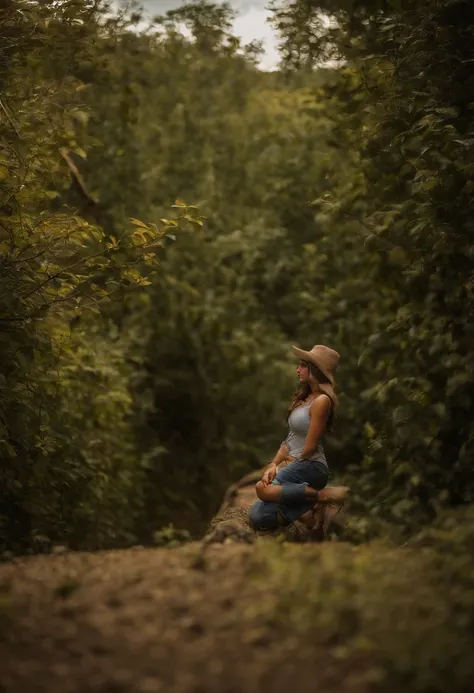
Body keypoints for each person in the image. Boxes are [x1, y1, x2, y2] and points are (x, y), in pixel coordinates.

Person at [248, 343, 347, 532]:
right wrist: (273, 465)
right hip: (297, 464)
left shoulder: (321, 401)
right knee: (259, 514)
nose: (297, 369)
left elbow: (310, 448)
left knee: (262, 490)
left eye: (302, 365)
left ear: (315, 370)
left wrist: (290, 464)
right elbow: (289, 441)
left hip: (312, 466)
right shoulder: (303, 400)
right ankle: (311, 517)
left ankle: (320, 495)